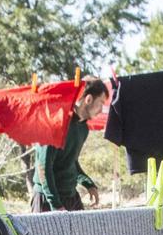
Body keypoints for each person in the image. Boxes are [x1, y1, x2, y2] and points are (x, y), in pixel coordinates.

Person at [32, 78, 108, 211]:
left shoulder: (83, 128)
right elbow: (44, 166)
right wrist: (55, 204)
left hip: (71, 197)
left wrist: (88, 183)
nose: (101, 110)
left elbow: (70, 161)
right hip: (47, 199)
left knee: (85, 232)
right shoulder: (56, 122)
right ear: (89, 99)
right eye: (101, 103)